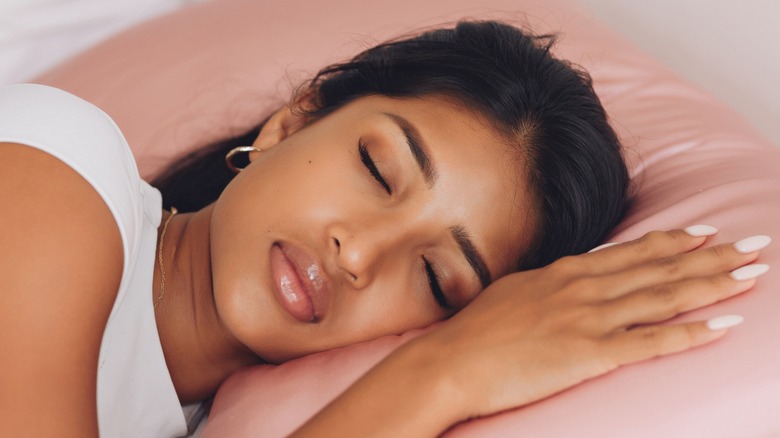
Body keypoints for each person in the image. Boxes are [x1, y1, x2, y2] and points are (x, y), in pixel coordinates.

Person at [0, 20, 768, 437]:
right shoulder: (60, 166)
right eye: (377, 169)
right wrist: (441, 375)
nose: (359, 253)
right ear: (290, 123)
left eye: (436, 278)